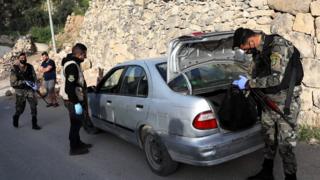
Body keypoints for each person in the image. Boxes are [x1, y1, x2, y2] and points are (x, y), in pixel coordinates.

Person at [232, 28, 303, 180]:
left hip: (286, 104)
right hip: (267, 102)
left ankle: (291, 178)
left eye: (245, 49)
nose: (246, 52)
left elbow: (276, 79)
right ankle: (266, 173)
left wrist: (249, 83)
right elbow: (256, 72)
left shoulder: (278, 46)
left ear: (250, 41)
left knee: (286, 145)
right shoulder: (259, 49)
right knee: (269, 139)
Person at [60, 43, 92, 155]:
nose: (86, 57)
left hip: (74, 99)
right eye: (84, 54)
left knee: (77, 123)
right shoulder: (72, 66)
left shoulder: (74, 64)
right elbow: (69, 87)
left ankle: (78, 143)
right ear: (79, 54)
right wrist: (76, 103)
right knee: (75, 124)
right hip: (72, 100)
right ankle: (74, 148)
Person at [10, 52, 41, 130]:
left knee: (34, 107)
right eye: (21, 58)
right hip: (20, 92)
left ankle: (34, 124)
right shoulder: (15, 69)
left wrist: (36, 85)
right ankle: (16, 117)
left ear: (26, 58)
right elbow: (13, 83)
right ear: (19, 59)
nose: (23, 59)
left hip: (30, 90)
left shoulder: (30, 67)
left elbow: (34, 77)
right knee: (20, 109)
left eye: (24, 58)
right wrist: (23, 82)